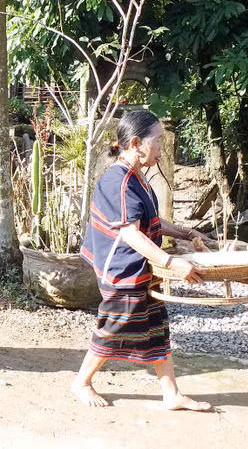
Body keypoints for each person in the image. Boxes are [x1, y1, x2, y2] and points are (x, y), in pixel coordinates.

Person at [73, 110, 212, 411]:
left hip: (139, 267)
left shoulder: (136, 178)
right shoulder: (118, 182)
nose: (162, 147)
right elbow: (130, 234)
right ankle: (82, 382)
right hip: (121, 271)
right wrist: (173, 263)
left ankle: (171, 394)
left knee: (157, 326)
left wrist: (186, 232)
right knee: (112, 327)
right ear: (136, 143)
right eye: (158, 140)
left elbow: (151, 219)